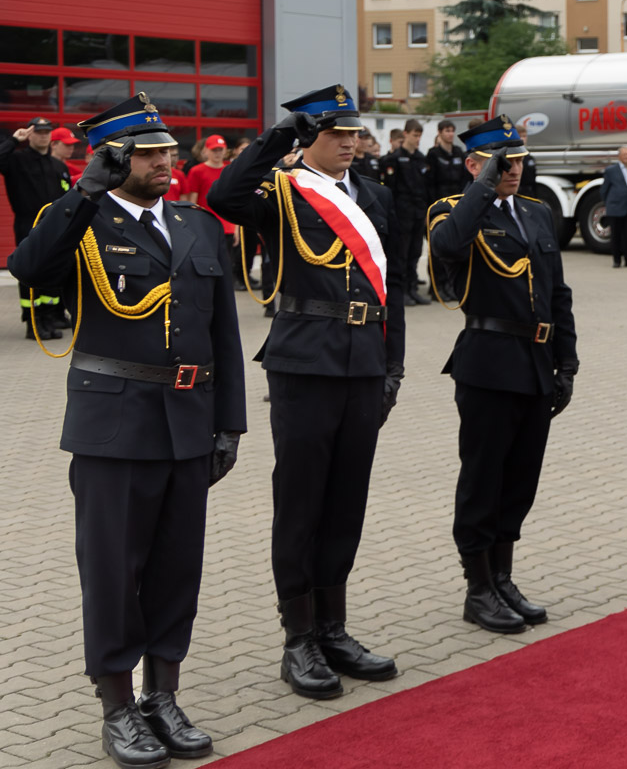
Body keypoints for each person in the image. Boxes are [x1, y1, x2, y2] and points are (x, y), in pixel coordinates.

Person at [7, 94, 246, 768]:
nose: (167, 160)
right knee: (114, 572)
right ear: (114, 159)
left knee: (177, 569)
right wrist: (82, 194)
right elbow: (28, 269)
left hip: (188, 422)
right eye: (148, 152)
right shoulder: (84, 218)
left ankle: (162, 694)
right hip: (114, 423)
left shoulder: (197, 227)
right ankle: (116, 706)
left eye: (169, 149)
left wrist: (229, 423)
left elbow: (220, 332)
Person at [207, 85, 408, 701]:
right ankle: (298, 637)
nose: (350, 144)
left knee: (347, 500)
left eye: (354, 134)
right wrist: (278, 138)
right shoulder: (284, 192)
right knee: (301, 501)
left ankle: (333, 628)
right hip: (303, 363)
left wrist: (392, 368)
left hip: (364, 364)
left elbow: (391, 288)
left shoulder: (374, 196)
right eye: (335, 134)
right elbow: (224, 196)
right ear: (311, 137)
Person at [426, 117, 579, 635]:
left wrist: (568, 361)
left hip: (535, 363)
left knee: (519, 480)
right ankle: (477, 587)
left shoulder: (536, 214)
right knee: (482, 479)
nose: (514, 169)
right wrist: (483, 186)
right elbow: (448, 247)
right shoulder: (454, 211)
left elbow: (558, 294)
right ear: (475, 164)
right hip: (488, 362)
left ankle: (503, 576)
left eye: (516, 161)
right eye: (502, 162)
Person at [1, 116, 71, 337]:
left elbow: (67, 198)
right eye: (38, 132)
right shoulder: (17, 160)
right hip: (27, 224)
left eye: (46, 132)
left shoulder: (58, 166)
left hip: (54, 226)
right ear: (30, 134)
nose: (43, 135)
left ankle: (49, 317)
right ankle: (33, 322)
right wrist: (14, 139)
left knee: (52, 271)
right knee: (29, 272)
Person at [182, 135, 246, 286]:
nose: (217, 153)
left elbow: (234, 201)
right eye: (214, 150)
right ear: (206, 151)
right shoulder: (197, 171)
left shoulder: (229, 170)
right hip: (205, 225)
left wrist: (237, 228)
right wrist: (192, 225)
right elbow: (193, 201)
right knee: (206, 262)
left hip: (228, 225)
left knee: (227, 263)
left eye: (220, 150)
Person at [380, 120, 431, 305]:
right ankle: (400, 292)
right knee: (400, 255)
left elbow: (425, 188)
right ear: (406, 134)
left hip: (418, 212)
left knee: (415, 253)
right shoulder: (393, 158)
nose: (417, 139)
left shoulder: (420, 158)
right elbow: (390, 190)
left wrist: (426, 211)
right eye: (415, 135)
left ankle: (412, 288)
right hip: (402, 213)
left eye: (419, 136)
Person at [600, 146, 627, 269]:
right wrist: (609, 203)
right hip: (615, 208)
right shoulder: (611, 170)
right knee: (616, 236)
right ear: (619, 156)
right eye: (624, 155)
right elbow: (604, 190)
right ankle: (617, 260)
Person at [425, 120, 470, 202]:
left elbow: (464, 177)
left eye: (452, 131)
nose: (451, 134)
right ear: (439, 132)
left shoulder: (458, 152)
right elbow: (430, 182)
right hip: (441, 198)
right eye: (447, 131)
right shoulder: (433, 153)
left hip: (457, 197)